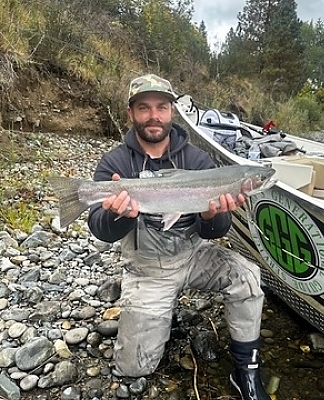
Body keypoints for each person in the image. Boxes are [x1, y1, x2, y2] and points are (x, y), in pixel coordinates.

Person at [87, 73, 271, 400]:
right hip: (147, 270)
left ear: (172, 111)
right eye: (144, 108)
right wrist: (118, 214)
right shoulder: (115, 162)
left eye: (161, 107)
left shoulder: (198, 160)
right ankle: (161, 313)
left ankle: (246, 368)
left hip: (193, 257)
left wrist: (211, 213)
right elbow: (98, 227)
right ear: (131, 113)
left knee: (249, 277)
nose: (153, 115)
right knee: (133, 368)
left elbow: (216, 231)